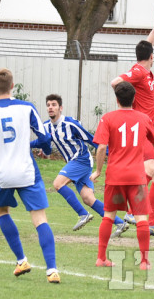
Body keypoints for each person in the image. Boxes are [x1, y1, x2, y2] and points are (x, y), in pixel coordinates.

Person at [0, 68, 60, 283]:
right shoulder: (26, 107)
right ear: (12, 86)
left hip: (1, 172)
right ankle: (52, 270)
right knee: (40, 218)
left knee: (1, 210)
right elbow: (44, 137)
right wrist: (44, 149)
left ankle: (21, 260)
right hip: (27, 170)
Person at [90, 82, 154, 270]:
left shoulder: (108, 118)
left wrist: (99, 171)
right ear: (134, 99)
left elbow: (101, 147)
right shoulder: (143, 118)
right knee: (142, 218)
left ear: (116, 99)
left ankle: (101, 258)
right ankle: (144, 262)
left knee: (108, 216)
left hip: (115, 176)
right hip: (136, 177)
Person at [110, 5, 154, 238]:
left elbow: (147, 46)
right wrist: (125, 105)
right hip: (144, 125)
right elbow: (115, 82)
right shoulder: (137, 72)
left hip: (153, 124)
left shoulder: (143, 67)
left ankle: (151, 223)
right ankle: (130, 211)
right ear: (151, 58)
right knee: (152, 167)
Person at [36, 94, 129, 238]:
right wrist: (42, 149)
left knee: (58, 184)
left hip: (81, 160)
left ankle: (83, 214)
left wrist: (113, 154)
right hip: (74, 162)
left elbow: (91, 139)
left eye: (54, 104)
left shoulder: (70, 124)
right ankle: (119, 223)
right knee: (88, 198)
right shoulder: (46, 127)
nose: (50, 107)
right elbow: (45, 144)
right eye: (48, 105)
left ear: (60, 108)